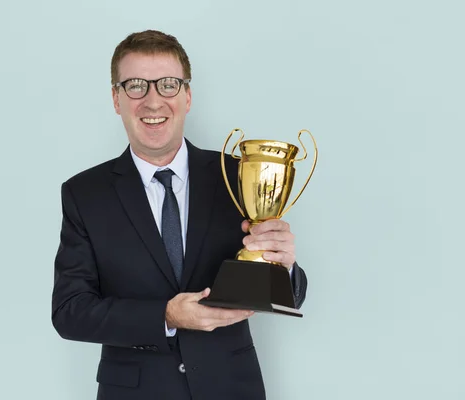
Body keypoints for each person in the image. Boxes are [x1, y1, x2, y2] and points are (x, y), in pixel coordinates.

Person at [51, 29, 308, 400]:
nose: (153, 101)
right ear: (115, 98)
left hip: (231, 389)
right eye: (136, 85)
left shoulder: (239, 177)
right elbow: (70, 311)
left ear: (187, 96)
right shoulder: (84, 194)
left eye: (168, 85)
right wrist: (165, 316)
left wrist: (283, 267)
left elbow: (289, 296)